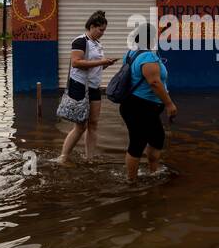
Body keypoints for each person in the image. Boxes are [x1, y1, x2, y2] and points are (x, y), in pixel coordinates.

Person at [118, 22, 177, 183]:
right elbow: (155, 83)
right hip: (140, 106)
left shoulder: (131, 53)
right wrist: (169, 104)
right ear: (151, 38)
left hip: (138, 106)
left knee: (157, 137)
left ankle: (153, 172)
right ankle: (131, 181)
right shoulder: (148, 57)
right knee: (137, 142)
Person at [58, 11, 117, 164]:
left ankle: (89, 158)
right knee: (80, 126)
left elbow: (94, 68)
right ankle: (63, 157)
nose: (102, 33)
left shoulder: (97, 44)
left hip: (94, 86)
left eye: (104, 30)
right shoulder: (80, 41)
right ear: (92, 26)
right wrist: (101, 62)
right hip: (79, 86)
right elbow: (76, 62)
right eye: (101, 30)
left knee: (93, 124)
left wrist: (105, 64)